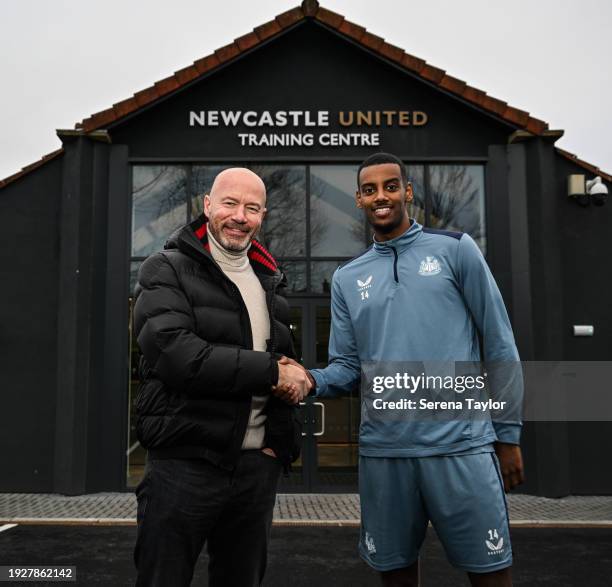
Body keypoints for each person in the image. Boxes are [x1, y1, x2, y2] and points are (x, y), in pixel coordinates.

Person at [301, 153, 524, 586]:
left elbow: (499, 343)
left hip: (460, 447)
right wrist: (310, 379)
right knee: (396, 575)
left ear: (407, 192)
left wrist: (508, 434)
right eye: (370, 190)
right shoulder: (348, 278)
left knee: (491, 573)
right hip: (386, 453)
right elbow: (347, 367)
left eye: (389, 186)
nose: (380, 196)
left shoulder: (456, 250)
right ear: (359, 201)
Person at [132, 167, 311, 587]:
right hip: (184, 466)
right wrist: (272, 371)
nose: (240, 216)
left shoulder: (270, 281)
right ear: (207, 205)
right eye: (230, 203)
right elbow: (178, 355)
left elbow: (285, 368)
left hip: (253, 472)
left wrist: (279, 444)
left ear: (263, 215)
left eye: (252, 208)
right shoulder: (165, 269)